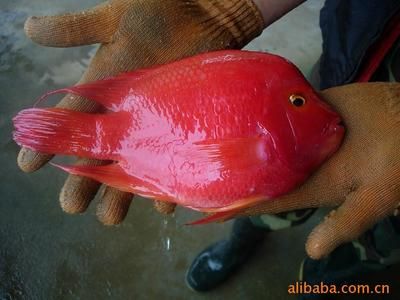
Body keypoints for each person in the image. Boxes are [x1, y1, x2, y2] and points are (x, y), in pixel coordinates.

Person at [19, 0, 400, 295]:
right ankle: (249, 235)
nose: (326, 115)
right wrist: (232, 6)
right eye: (298, 103)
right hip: (356, 41)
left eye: (299, 103)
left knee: (370, 227)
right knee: (266, 208)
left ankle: (342, 274)